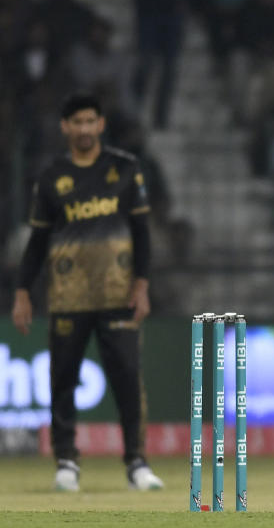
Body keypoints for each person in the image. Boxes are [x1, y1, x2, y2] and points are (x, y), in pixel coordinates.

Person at [10, 93, 164, 492]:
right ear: (65, 127)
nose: (83, 128)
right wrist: (23, 291)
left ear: (100, 125)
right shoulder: (51, 177)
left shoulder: (125, 169)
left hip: (118, 295)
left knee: (128, 379)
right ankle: (66, 462)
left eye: (89, 121)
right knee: (63, 379)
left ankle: (137, 463)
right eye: (75, 122)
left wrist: (142, 286)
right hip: (68, 298)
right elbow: (37, 241)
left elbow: (142, 236)